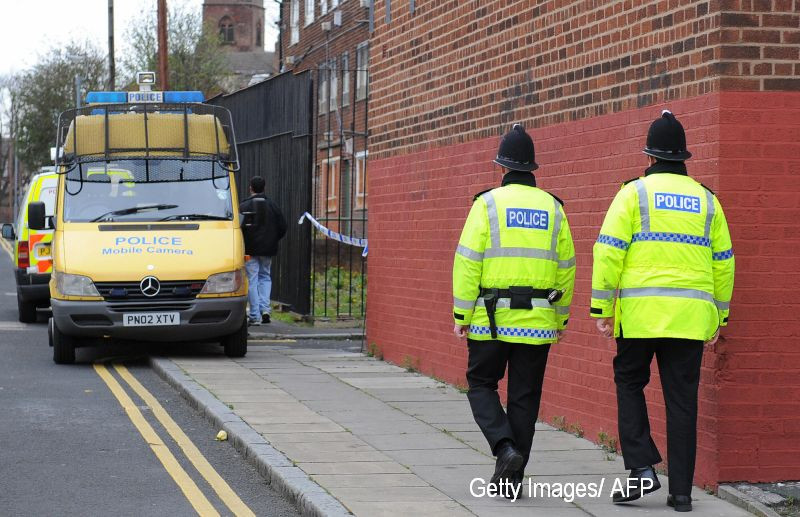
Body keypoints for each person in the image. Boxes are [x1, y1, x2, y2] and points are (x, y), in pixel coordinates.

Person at [590, 111, 735, 512]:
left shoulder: (633, 194)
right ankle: (682, 494)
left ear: (650, 158)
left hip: (639, 315)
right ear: (684, 159)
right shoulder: (708, 201)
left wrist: (602, 307)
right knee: (682, 400)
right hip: (690, 319)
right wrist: (719, 317)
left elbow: (607, 252)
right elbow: (724, 262)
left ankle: (641, 468)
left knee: (630, 382)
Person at [452, 124, 576, 497]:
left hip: (491, 320)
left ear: (502, 168)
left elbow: (468, 262)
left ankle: (504, 448)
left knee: (481, 385)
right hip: (537, 322)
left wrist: (461, 315)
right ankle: (510, 483)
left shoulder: (487, 204)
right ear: (532, 169)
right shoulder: (554, 208)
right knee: (524, 399)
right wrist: (561, 318)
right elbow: (566, 267)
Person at [239, 176, 287, 326]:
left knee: (252, 280)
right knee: (265, 277)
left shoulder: (243, 206)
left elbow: (238, 228)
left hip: (250, 249)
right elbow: (283, 227)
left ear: (250, 188)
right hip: (268, 249)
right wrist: (272, 239)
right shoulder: (273, 206)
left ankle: (254, 315)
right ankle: (265, 309)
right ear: (264, 188)